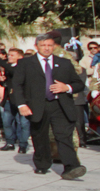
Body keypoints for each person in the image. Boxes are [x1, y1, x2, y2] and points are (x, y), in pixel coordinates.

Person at [11, 33, 87, 180]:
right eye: (43, 45)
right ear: (36, 47)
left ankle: (71, 166)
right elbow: (18, 85)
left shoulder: (64, 63)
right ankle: (42, 164)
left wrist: (67, 87)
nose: (46, 48)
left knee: (64, 136)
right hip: (37, 105)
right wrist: (22, 104)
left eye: (49, 45)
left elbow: (79, 84)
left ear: (54, 46)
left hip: (60, 105)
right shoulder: (26, 63)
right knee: (40, 136)